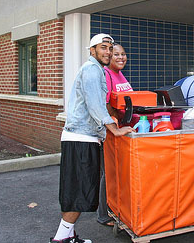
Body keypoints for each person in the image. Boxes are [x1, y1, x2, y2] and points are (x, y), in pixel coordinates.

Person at [51, 34, 135, 243]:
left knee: (76, 190)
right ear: (92, 50)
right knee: (79, 190)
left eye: (110, 48)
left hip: (84, 137)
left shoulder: (96, 70)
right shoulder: (91, 70)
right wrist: (114, 129)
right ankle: (61, 239)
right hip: (80, 138)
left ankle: (67, 236)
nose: (108, 52)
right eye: (103, 48)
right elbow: (95, 104)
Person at [97, 43, 133, 227]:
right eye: (116, 54)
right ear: (109, 56)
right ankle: (104, 214)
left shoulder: (119, 74)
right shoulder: (106, 74)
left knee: (116, 171)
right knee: (108, 172)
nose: (120, 57)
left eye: (123, 54)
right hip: (111, 130)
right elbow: (104, 102)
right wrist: (113, 122)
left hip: (123, 128)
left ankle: (115, 208)